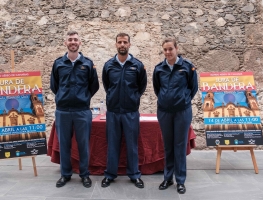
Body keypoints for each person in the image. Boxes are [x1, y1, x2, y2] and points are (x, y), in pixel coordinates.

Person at [50, 31, 99, 188]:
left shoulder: (88, 64)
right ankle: (65, 174)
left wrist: (83, 97)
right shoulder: (58, 63)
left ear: (80, 43)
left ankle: (84, 174)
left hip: (82, 111)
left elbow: (94, 86)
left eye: (75, 39)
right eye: (70, 39)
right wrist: (64, 97)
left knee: (83, 144)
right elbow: (54, 86)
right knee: (64, 144)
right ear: (65, 43)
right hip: (63, 110)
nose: (73, 42)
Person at [101, 33, 147, 188]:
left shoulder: (137, 65)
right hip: (113, 111)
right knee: (112, 144)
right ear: (115, 44)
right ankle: (110, 175)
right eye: (119, 42)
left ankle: (134, 175)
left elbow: (141, 86)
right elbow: (107, 86)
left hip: (130, 112)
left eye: (125, 42)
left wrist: (133, 98)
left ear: (129, 44)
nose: (122, 44)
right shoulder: (108, 65)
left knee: (132, 145)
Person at [152, 38, 198, 194]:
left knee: (180, 145)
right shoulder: (159, 69)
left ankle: (180, 180)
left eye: (170, 49)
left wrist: (183, 100)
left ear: (176, 48)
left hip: (182, 111)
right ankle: (167, 178)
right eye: (165, 50)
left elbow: (193, 88)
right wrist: (166, 100)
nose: (167, 52)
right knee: (168, 146)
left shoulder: (187, 67)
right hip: (164, 111)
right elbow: (157, 88)